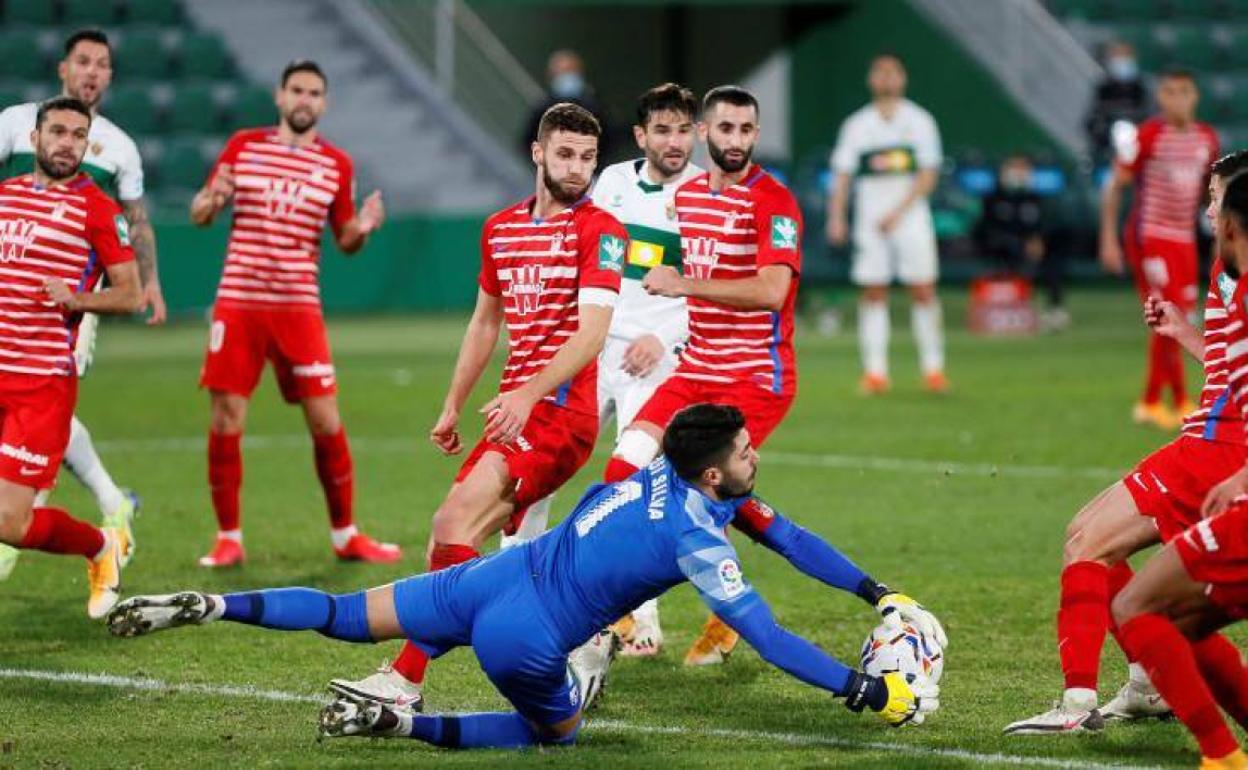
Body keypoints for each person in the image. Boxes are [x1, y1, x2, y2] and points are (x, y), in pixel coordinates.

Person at [107, 404, 945, 748]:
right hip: (529, 633)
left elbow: (789, 536)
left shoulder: (652, 473)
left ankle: (216, 602)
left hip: (490, 580)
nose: (755, 454)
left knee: (339, 611)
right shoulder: (700, 538)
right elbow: (764, 636)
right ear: (716, 476)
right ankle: (408, 730)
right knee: (557, 735)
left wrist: (877, 592)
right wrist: (860, 692)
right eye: (744, 451)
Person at [326, 102, 627, 711]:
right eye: (565, 154)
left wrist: (526, 392)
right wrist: (451, 403)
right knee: (454, 541)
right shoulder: (500, 228)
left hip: (560, 416)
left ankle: (408, 679)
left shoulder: (603, 231)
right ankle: (578, 632)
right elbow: (485, 321)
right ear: (538, 153)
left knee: (451, 525)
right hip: (517, 413)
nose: (578, 168)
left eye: (588, 157)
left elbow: (592, 333)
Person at [1003, 150, 1248, 736]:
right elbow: (1230, 370)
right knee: (1145, 584)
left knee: (1087, 540)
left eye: (1214, 197)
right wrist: (1183, 330)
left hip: (1218, 449)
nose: (1207, 210)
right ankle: (1146, 687)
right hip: (1216, 442)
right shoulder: (1228, 270)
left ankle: (1076, 702)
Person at [598, 84, 802, 666]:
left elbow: (771, 291)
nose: (735, 140)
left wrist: (682, 284)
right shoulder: (686, 197)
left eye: (746, 130)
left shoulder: (774, 201)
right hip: (696, 369)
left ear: (755, 135)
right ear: (704, 133)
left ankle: (728, 616)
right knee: (622, 470)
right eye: (725, 128)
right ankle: (628, 608)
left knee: (706, 491)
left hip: (755, 379)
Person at [513, 82, 702, 657]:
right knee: (538, 463)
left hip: (660, 358)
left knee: (637, 485)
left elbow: (713, 290)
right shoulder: (613, 182)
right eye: (663, 130)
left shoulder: (708, 196)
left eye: (684, 129)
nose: (676, 141)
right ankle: (516, 581)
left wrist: (662, 334)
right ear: (642, 136)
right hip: (592, 350)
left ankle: (638, 615)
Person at [190, 60, 395, 567]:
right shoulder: (244, 146)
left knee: (326, 420)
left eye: (314, 93)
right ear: (280, 97)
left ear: (323, 104)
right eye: (297, 90)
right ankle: (229, 537)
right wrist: (210, 200)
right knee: (226, 416)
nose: (305, 100)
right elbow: (200, 213)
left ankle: (347, 534)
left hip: (299, 309)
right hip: (239, 304)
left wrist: (364, 226)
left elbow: (344, 240)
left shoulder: (335, 165)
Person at [0, 28, 164, 579]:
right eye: (83, 61)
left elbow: (136, 226)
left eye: (102, 64)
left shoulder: (116, 154)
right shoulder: (12, 130)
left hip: (61, 325)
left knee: (12, 511)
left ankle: (75, 524)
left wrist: (145, 284)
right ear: (64, 68)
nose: (92, 71)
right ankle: (105, 501)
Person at [1110, 170, 1248, 770]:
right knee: (1180, 618)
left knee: (1136, 607)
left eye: (1216, 206)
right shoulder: (1233, 288)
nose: (1208, 217)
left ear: (1235, 225)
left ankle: (1221, 757)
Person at [1099, 69, 1219, 430]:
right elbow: (1114, 186)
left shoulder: (1206, 139)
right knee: (1167, 315)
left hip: (1183, 237)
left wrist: (1219, 238)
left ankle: (1164, 399)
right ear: (1160, 98)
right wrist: (1108, 239)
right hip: (1150, 235)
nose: (1177, 99)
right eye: (1169, 92)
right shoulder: (1149, 135)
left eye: (1184, 91)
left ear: (1195, 96)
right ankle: (1165, 400)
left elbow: (1209, 194)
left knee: (1184, 316)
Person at [827, 53, 946, 395]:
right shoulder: (857, 125)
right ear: (871, 79)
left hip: (910, 217)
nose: (887, 78)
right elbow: (843, 176)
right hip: (869, 218)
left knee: (923, 289)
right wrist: (838, 216)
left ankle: (933, 369)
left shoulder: (920, 121)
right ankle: (876, 372)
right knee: (873, 290)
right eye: (880, 72)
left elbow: (928, 173)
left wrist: (899, 210)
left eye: (893, 72)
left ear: (903, 78)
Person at [973, 154, 1067, 330]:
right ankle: (1011, 310)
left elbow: (1041, 226)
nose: (1018, 173)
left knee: (1053, 259)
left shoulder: (1034, 199)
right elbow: (985, 229)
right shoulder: (993, 198)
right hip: (1003, 247)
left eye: (1023, 168)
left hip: (1032, 248)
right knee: (1006, 249)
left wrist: (1038, 240)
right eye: (1014, 167)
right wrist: (1018, 242)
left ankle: (1055, 310)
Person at [521, 50, 614, 161]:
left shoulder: (594, 106)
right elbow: (527, 140)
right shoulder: (543, 107)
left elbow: (608, 139)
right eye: (561, 72)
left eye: (569, 71)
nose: (566, 77)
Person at [1085, 41, 1149, 165]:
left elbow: (1150, 116)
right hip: (1107, 148)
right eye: (1117, 57)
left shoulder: (1143, 87)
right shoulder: (1103, 87)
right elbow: (1090, 120)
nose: (1121, 61)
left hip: (1138, 148)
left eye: (1125, 57)